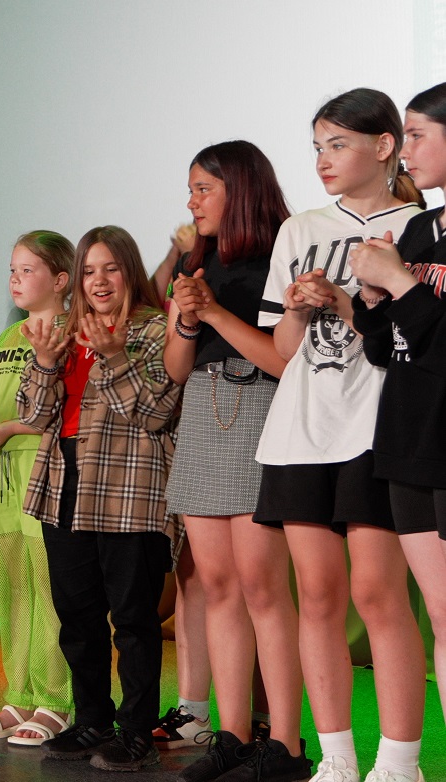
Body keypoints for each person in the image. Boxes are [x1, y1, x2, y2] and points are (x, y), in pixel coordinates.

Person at [255, 88, 426, 782]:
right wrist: (301, 308)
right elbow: (282, 350)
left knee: (377, 594)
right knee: (317, 596)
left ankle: (399, 761)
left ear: (384, 146)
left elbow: (410, 335)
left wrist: (348, 301)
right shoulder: (298, 229)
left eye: (338, 144)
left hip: (376, 425)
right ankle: (335, 758)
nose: (323, 160)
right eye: (317, 147)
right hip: (300, 430)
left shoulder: (419, 228)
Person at [20, 226, 181, 772]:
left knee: (133, 621)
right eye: (89, 271)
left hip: (128, 494)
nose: (99, 281)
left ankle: (136, 731)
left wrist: (112, 356)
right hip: (62, 489)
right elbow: (34, 415)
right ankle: (92, 719)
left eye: (110, 268)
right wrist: (44, 362)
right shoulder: (63, 333)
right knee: (77, 617)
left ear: (129, 270)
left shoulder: (155, 330)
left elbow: (155, 413)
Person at [162, 141, 298, 782]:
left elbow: (283, 361)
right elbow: (175, 368)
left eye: (203, 189)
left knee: (263, 588)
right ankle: (233, 736)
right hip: (203, 413)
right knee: (216, 586)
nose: (191, 202)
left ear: (238, 190)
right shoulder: (196, 261)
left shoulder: (281, 255)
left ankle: (286, 744)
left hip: (260, 412)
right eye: (191, 189)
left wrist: (213, 310)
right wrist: (188, 318)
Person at [349, 80, 446, 778]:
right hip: (410, 435)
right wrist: (370, 296)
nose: (404, 150)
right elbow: (389, 349)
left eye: (416, 135)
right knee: (440, 613)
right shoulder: (418, 229)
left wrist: (404, 285)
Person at [0, 231, 73, 743]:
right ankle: (19, 694)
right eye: (12, 269)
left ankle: (56, 699)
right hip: (0, 483)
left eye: (27, 270)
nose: (15, 279)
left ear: (61, 279)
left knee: (50, 591)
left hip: (46, 475)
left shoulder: (73, 333)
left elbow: (65, 405)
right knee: (14, 590)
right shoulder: (8, 338)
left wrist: (10, 430)